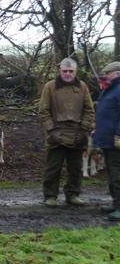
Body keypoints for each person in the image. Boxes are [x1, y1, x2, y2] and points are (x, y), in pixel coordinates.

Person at [38, 57, 94, 207]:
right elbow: (43, 111)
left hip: (77, 133)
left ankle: (73, 194)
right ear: (60, 71)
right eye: (65, 71)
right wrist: (51, 130)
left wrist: (84, 129)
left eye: (70, 71)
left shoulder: (82, 87)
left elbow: (89, 110)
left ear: (75, 71)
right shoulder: (50, 87)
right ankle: (50, 195)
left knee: (75, 168)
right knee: (53, 167)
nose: (67, 74)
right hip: (56, 133)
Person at [92, 61, 120, 219]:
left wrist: (118, 135)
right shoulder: (110, 89)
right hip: (108, 140)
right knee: (112, 173)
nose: (105, 76)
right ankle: (116, 203)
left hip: (116, 141)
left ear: (117, 73)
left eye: (108, 73)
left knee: (117, 174)